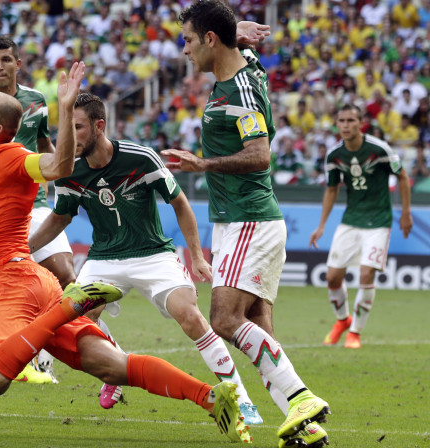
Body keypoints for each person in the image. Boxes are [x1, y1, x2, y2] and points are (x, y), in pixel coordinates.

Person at [0, 61, 250, 443]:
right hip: (33, 278)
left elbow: (59, 164)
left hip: (11, 280)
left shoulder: (13, 156)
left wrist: (63, 110)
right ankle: (212, 398)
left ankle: (71, 304)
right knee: (113, 367)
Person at [28, 91, 262, 423]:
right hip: (104, 258)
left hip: (153, 254)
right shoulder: (70, 172)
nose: (70, 136)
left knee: (191, 317)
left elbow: (180, 202)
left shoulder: (140, 158)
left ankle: (241, 397)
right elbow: (60, 217)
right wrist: (27, 247)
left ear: (99, 126)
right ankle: (116, 369)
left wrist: (196, 256)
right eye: (66, 126)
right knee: (80, 319)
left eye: (77, 127)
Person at [160, 2, 330, 447]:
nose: (184, 50)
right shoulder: (239, 72)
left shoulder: (240, 90)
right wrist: (241, 31)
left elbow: (260, 154)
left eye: (189, 40)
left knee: (223, 319)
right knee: (257, 322)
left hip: (248, 218)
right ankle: (305, 427)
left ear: (210, 40)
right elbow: (244, 52)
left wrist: (202, 164)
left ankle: (300, 396)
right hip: (239, 221)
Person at [0, 35, 76, 382]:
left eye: (5, 60)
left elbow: (44, 142)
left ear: (18, 64)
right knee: (14, 283)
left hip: (36, 197)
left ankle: (52, 351)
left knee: (66, 274)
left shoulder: (36, 101)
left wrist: (60, 172)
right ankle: (21, 347)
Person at [309, 105, 412, 349]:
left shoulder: (379, 149)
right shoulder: (334, 155)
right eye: (341, 121)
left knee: (367, 273)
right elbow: (332, 189)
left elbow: (403, 177)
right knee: (333, 277)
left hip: (378, 221)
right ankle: (343, 320)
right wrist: (321, 225)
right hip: (351, 220)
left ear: (361, 123)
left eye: (350, 120)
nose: (345, 125)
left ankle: (355, 332)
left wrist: (405, 213)